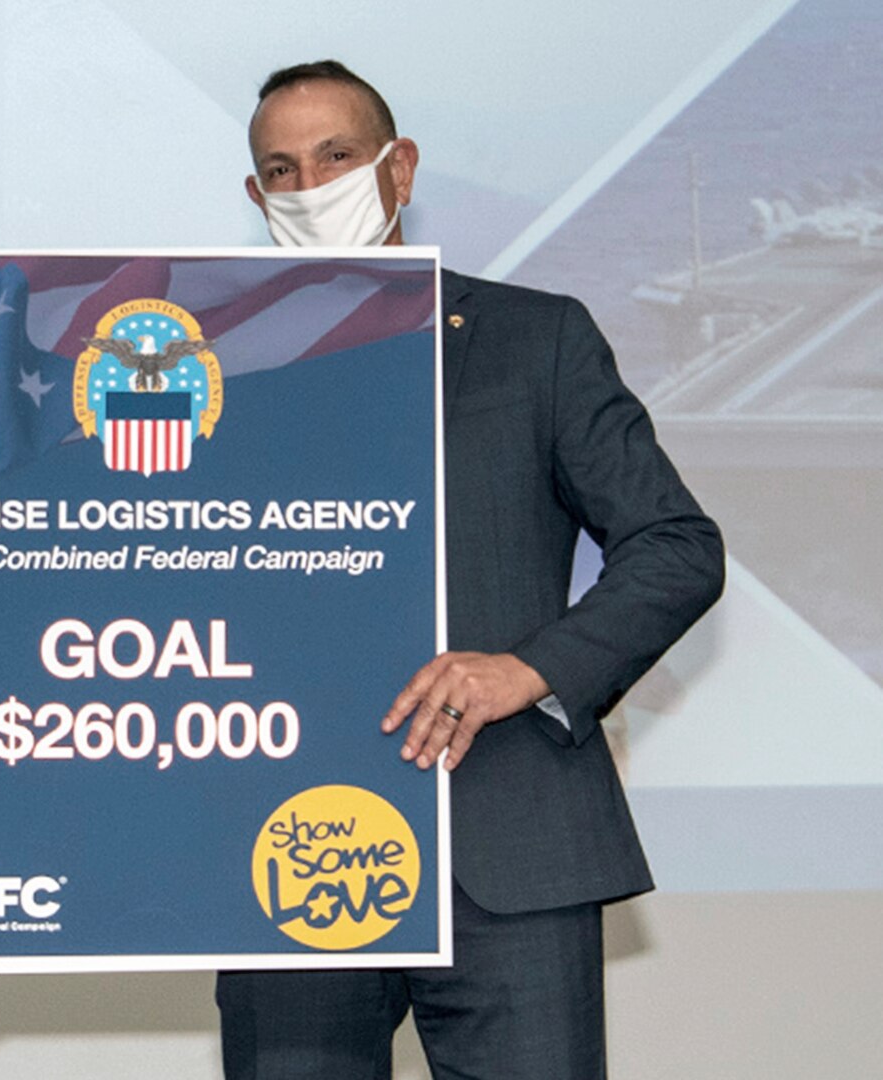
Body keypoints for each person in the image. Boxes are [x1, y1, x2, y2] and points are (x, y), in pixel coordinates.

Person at [216, 61, 726, 1079]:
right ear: (255, 197)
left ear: (398, 169)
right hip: (280, 851)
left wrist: (529, 669)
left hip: (510, 844)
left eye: (337, 156)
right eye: (281, 167)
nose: (309, 184)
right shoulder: (212, 371)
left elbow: (676, 546)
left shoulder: (534, 339)